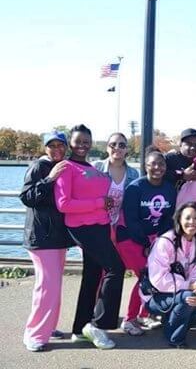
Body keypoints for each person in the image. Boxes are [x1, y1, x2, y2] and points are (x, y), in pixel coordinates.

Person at [54, 124, 125, 349]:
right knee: (116, 268)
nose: (82, 145)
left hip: (101, 226)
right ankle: (98, 324)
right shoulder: (67, 168)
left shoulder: (92, 167)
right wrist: (98, 203)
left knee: (92, 277)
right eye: (78, 141)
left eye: (86, 141)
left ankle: (80, 328)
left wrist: (104, 207)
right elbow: (63, 204)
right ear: (70, 144)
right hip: (83, 228)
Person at [20, 131, 75, 352]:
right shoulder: (39, 166)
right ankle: (34, 334)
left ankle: (48, 326)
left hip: (57, 237)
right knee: (46, 287)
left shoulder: (64, 165)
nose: (57, 149)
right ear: (45, 148)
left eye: (60, 145)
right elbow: (27, 197)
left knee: (54, 286)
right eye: (52, 146)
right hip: (41, 238)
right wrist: (49, 179)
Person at [116, 148, 176, 335]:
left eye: (161, 164)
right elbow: (132, 220)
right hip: (130, 238)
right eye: (153, 164)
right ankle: (129, 319)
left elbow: (167, 218)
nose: (157, 167)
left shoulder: (169, 188)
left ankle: (144, 314)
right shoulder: (135, 188)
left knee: (155, 274)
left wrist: (160, 241)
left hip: (153, 239)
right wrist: (146, 245)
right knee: (146, 276)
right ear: (146, 166)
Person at [144, 202, 196, 348]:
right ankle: (175, 338)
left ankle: (170, 321)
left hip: (181, 293)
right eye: (187, 218)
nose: (192, 222)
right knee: (188, 298)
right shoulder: (165, 241)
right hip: (155, 295)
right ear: (179, 220)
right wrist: (189, 286)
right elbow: (159, 279)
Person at [93, 132, 139, 242]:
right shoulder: (95, 167)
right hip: (95, 224)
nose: (117, 148)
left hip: (119, 226)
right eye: (113, 144)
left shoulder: (134, 174)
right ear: (107, 148)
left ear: (127, 149)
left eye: (122, 145)